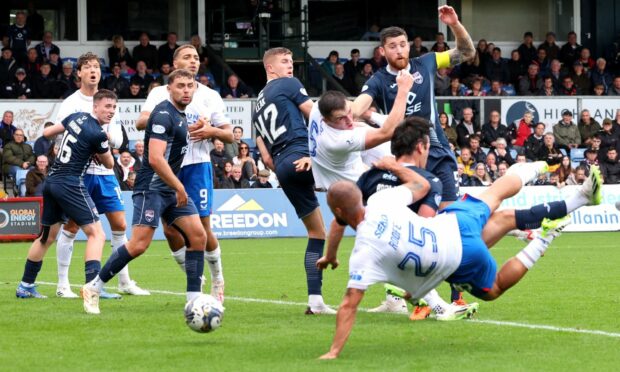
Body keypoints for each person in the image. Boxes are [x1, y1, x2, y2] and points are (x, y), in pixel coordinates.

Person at [317, 159, 602, 359]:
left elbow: (348, 305)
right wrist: (393, 166)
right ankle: (554, 179)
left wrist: (333, 351)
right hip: (453, 223)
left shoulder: (364, 253)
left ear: (337, 213)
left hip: (456, 258)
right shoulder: (381, 201)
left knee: (494, 289)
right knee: (497, 202)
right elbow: (420, 184)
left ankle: (546, 236)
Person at [351, 5, 475, 309]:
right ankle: (409, 298)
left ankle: (455, 297)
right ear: (383, 51)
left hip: (437, 153)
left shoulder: (426, 63)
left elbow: (467, 52)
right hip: (406, 163)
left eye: (403, 44)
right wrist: (365, 115)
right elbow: (357, 108)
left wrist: (456, 24)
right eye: (392, 46)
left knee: (450, 223)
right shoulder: (379, 81)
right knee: (408, 230)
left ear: (409, 45)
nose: (399, 50)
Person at [80, 70, 206, 314]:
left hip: (169, 188)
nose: (186, 90)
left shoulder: (179, 115)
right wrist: (180, 186)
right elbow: (156, 159)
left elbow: (174, 140)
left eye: (190, 85)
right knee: (138, 245)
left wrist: (193, 129)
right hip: (152, 188)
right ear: (169, 89)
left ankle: (194, 300)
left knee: (198, 236)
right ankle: (94, 286)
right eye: (180, 86)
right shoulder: (161, 114)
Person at [136, 45, 232, 303]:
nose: (193, 61)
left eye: (197, 58)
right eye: (187, 57)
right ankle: (195, 278)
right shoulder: (160, 93)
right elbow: (140, 122)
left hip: (197, 166)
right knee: (170, 231)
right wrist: (175, 122)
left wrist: (211, 131)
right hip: (167, 167)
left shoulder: (210, 95)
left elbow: (230, 134)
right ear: (175, 62)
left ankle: (218, 279)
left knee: (202, 228)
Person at [354, 118, 477, 319]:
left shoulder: (371, 175)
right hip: (407, 249)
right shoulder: (430, 180)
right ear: (421, 147)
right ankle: (435, 303)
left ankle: (407, 297)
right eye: (427, 147)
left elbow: (351, 212)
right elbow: (424, 228)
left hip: (374, 247)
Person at [53, 52, 149, 299]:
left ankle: (124, 281)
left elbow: (118, 138)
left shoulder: (108, 101)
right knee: (72, 226)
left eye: (96, 66)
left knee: (120, 224)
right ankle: (63, 284)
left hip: (105, 172)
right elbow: (59, 138)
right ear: (80, 73)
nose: (93, 71)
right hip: (79, 174)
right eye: (88, 67)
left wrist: (101, 139)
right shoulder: (71, 103)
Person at [14, 89, 116, 301]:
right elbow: (110, 163)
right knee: (97, 234)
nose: (111, 111)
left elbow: (48, 134)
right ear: (95, 106)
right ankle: (93, 287)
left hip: (52, 180)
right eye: (107, 106)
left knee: (46, 237)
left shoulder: (75, 116)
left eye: (114, 107)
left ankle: (25, 285)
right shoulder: (98, 133)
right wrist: (99, 145)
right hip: (70, 182)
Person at [253, 47, 332, 314]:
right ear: (270, 68)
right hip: (302, 155)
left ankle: (315, 302)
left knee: (317, 233)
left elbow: (264, 156)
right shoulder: (288, 84)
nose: (290, 67)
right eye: (285, 62)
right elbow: (316, 115)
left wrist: (285, 167)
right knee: (365, 191)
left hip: (283, 167)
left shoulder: (257, 104)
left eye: (291, 63)